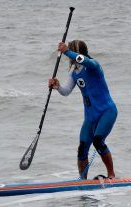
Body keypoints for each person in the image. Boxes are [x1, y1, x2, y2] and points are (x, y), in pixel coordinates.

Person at [48, 40, 117, 179]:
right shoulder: (74, 73)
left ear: (77, 53)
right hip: (90, 116)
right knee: (82, 148)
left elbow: (85, 60)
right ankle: (83, 180)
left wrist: (66, 51)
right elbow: (66, 91)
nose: (70, 58)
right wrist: (57, 87)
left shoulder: (93, 65)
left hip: (107, 111)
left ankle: (111, 175)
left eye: (71, 53)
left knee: (98, 141)